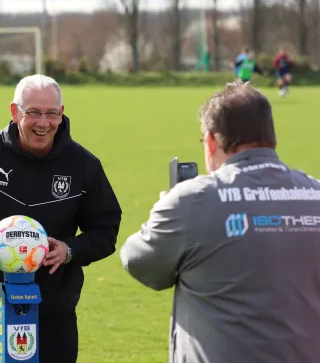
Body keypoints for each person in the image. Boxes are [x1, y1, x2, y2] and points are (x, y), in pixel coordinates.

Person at [120, 81, 320, 363]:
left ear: (211, 141)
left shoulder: (193, 200)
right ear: (271, 136)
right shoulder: (315, 192)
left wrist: (165, 209)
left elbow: (138, 260)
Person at [0, 74, 122, 363]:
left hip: (54, 308)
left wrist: (70, 250)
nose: (42, 122)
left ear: (61, 115)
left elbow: (106, 229)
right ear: (14, 112)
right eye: (33, 112)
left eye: (51, 113)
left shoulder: (83, 165)